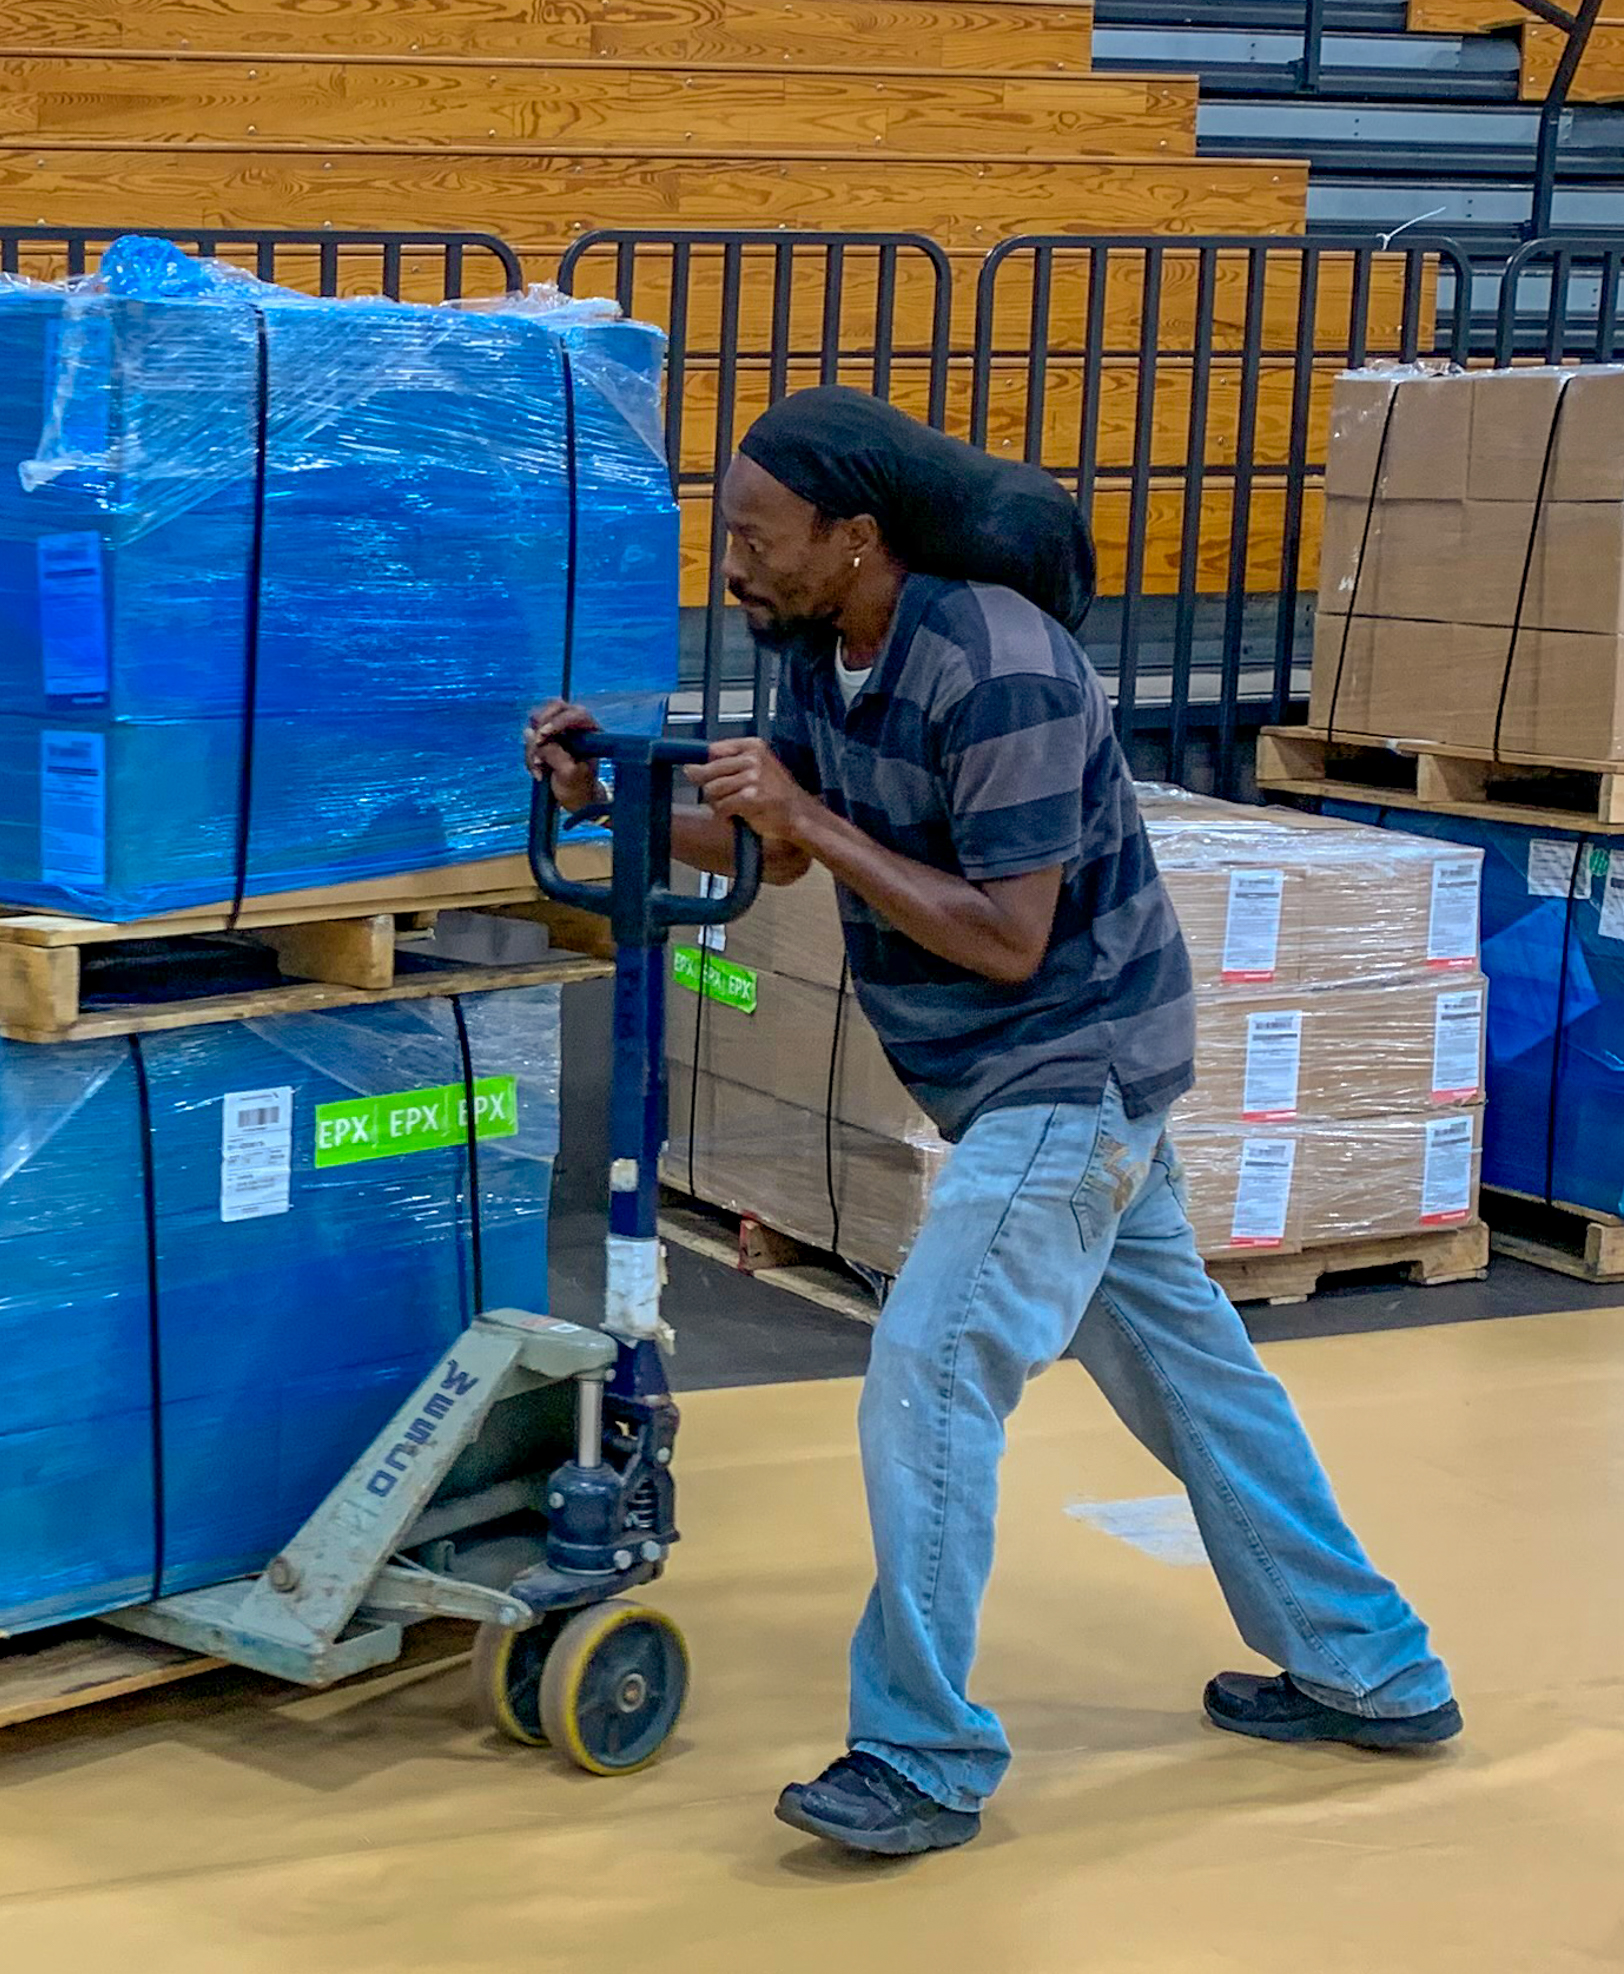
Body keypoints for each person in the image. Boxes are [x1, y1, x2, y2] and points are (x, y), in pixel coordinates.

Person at [527, 386, 1458, 1857]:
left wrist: (813, 821)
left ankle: (920, 1750)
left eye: (760, 539)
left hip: (1070, 1068)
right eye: (729, 538)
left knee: (933, 1364)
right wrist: (605, 800)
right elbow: (773, 856)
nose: (736, 569)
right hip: (1019, 1077)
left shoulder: (1002, 665)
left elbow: (1007, 936)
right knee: (1199, 1385)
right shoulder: (827, 662)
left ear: (855, 535)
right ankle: (1377, 1668)